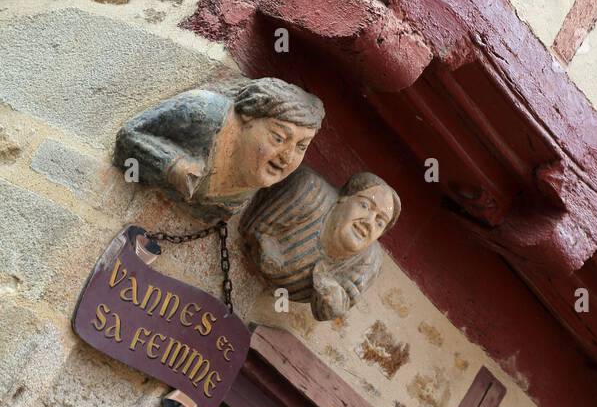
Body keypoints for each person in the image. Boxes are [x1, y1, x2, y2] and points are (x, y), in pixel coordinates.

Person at [113, 77, 325, 223]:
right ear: (248, 117)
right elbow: (129, 135)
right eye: (278, 138)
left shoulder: (257, 176)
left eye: (301, 146)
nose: (287, 157)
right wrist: (172, 166)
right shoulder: (202, 113)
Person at [240, 168, 400, 319]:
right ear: (344, 197)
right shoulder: (310, 192)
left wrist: (331, 297)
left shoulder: (370, 259)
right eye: (365, 206)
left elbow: (338, 305)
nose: (369, 222)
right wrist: (264, 244)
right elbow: (256, 228)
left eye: (380, 222)